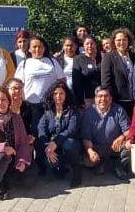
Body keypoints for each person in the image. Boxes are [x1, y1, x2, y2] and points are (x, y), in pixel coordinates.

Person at [15, 36, 66, 172]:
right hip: (33, 106)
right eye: (34, 47)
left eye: (40, 46)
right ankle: (40, 163)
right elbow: (18, 85)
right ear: (29, 49)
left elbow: (62, 80)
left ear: (44, 48)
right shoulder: (25, 64)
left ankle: (55, 162)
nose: (37, 49)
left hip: (51, 105)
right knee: (37, 135)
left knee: (53, 133)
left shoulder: (52, 61)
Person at [37, 81, 82, 187]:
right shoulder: (48, 111)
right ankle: (60, 167)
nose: (58, 96)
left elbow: (71, 130)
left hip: (69, 143)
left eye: (61, 93)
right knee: (51, 163)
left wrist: (55, 143)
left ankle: (76, 171)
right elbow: (41, 129)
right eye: (55, 94)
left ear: (66, 95)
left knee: (70, 144)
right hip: (53, 146)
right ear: (51, 95)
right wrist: (48, 146)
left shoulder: (72, 110)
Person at [80, 86, 130, 180]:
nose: (103, 99)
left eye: (106, 96)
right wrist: (90, 152)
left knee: (130, 145)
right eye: (100, 96)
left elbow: (129, 130)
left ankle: (119, 165)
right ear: (95, 99)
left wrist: (122, 137)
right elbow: (86, 137)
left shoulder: (119, 110)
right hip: (98, 147)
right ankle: (102, 162)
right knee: (88, 162)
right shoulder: (88, 113)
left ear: (111, 99)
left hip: (116, 146)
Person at [101, 28, 135, 117]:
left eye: (124, 40)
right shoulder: (109, 57)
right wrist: (110, 100)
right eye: (118, 40)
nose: (121, 42)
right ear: (114, 41)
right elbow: (106, 81)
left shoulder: (133, 56)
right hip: (118, 101)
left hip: (133, 100)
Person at [71, 35, 101, 107]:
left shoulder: (103, 57)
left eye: (92, 43)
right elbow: (76, 82)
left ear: (96, 45)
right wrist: (80, 101)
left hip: (103, 96)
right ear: (83, 46)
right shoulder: (78, 59)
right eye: (87, 44)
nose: (90, 46)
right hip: (87, 98)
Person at [6, 78, 35, 145]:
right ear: (7, 90)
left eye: (20, 88)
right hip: (7, 141)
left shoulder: (28, 106)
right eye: (14, 88)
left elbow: (33, 126)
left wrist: (31, 137)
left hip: (25, 140)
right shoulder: (3, 106)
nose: (17, 91)